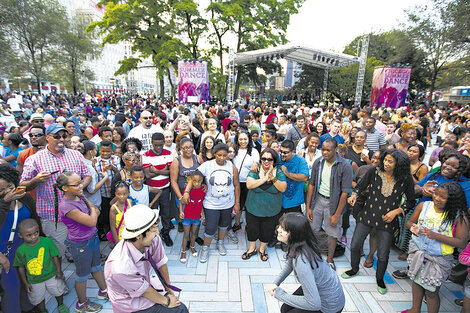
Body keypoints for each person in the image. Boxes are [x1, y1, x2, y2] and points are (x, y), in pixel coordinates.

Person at [342, 149, 415, 295]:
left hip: (387, 221)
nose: (386, 164)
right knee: (355, 245)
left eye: (390, 161)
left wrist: (397, 211)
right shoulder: (374, 171)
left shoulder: (405, 178)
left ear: (399, 164)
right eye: (385, 160)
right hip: (367, 214)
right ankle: (354, 269)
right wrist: (354, 195)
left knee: (383, 254)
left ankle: (380, 279)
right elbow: (360, 186)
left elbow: (411, 201)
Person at [20, 123, 91, 260]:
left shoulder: (75, 155)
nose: (61, 139)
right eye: (56, 136)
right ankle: (61, 275)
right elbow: (23, 185)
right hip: (53, 216)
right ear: (47, 137)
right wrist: (36, 180)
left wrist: (80, 186)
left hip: (77, 212)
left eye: (64, 136)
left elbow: (87, 174)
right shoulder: (35, 159)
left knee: (80, 248)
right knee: (59, 253)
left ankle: (80, 270)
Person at [104, 204, 189, 313]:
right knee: (180, 309)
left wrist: (168, 289)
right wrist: (167, 301)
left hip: (144, 286)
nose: (157, 233)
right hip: (130, 305)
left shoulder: (152, 239)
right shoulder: (120, 267)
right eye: (153, 231)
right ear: (139, 235)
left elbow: (160, 262)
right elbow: (145, 291)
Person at [403, 182, 469, 313]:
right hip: (419, 252)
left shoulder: (459, 217)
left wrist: (436, 236)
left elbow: (461, 242)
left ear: (452, 200)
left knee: (431, 291)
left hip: (438, 259)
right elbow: (410, 221)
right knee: (416, 282)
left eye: (442, 197)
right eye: (436, 194)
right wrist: (412, 227)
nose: (437, 198)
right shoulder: (424, 206)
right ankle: (414, 309)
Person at [268, 212, 345, 313]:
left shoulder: (302, 262)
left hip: (330, 306)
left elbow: (313, 303)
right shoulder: (300, 243)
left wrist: (280, 294)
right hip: (320, 290)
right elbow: (290, 264)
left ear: (294, 234)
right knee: (285, 309)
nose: (278, 230)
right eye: (280, 226)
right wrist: (276, 283)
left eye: (284, 229)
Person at [55, 171, 108, 312]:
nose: (81, 185)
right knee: (82, 274)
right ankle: (82, 304)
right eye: (76, 184)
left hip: (92, 238)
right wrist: (92, 212)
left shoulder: (80, 195)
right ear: (65, 188)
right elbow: (92, 220)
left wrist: (93, 212)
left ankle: (104, 291)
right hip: (80, 244)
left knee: (96, 266)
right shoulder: (67, 206)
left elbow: (96, 211)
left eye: (81, 181)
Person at [305, 138, 353, 270]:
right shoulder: (318, 162)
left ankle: (330, 259)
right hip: (318, 200)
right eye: (323, 149)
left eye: (328, 150)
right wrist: (308, 207)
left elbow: (345, 193)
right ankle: (313, 255)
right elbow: (312, 185)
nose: (324, 153)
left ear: (336, 150)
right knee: (312, 228)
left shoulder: (345, 166)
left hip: (333, 203)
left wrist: (337, 215)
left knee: (332, 232)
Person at [0, 163, 40, 312]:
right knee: (11, 289)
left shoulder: (24, 198)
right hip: (5, 254)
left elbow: (35, 221)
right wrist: (5, 202)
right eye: (1, 190)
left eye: (9, 187)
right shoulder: (2, 203)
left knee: (27, 284)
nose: (6, 192)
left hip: (25, 249)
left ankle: (28, 308)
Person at [191, 143, 240, 263]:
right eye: (219, 155)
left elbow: (236, 184)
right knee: (211, 227)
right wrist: (200, 185)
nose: (222, 158)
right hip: (211, 203)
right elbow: (195, 176)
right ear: (214, 154)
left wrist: (237, 202)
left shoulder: (231, 166)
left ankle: (220, 243)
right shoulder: (207, 165)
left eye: (224, 155)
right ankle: (205, 248)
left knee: (224, 224)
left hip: (227, 202)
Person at [13, 219, 68, 313]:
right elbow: (20, 267)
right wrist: (25, 283)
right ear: (20, 235)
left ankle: (61, 305)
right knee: (38, 297)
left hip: (52, 275)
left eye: (36, 233)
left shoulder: (47, 242)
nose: (34, 237)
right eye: (29, 235)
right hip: (34, 280)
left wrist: (59, 271)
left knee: (58, 291)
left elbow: (55, 256)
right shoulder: (21, 250)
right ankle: (42, 310)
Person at [243, 148, 286, 261]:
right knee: (252, 229)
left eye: (269, 159)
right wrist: (265, 179)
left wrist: (272, 177)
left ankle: (262, 249)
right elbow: (249, 184)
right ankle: (252, 249)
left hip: (271, 210)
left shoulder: (279, 172)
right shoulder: (255, 169)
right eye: (264, 159)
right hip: (253, 208)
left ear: (274, 160)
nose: (266, 161)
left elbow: (282, 188)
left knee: (267, 230)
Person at [268, 140, 309, 247]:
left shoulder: (300, 160)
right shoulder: (277, 158)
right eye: (281, 151)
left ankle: (290, 241)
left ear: (293, 151)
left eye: (285, 152)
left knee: (293, 223)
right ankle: (275, 237)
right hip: (278, 198)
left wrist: (287, 173)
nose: (282, 154)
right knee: (275, 221)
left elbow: (304, 177)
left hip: (294, 199)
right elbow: (264, 161)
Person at [142, 133, 174, 247]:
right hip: (152, 190)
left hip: (165, 188)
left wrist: (155, 170)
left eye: (161, 145)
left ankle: (165, 233)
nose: (159, 147)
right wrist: (163, 170)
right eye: (156, 145)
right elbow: (147, 175)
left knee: (166, 213)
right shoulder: (145, 155)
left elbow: (171, 172)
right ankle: (153, 235)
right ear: (152, 143)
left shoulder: (169, 153)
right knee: (153, 213)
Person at [232, 131, 260, 232]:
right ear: (237, 140)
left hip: (249, 183)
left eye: (245, 139)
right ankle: (237, 223)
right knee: (238, 204)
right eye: (241, 139)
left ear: (249, 140)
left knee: (249, 205)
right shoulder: (234, 151)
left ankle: (250, 225)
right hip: (236, 183)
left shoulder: (254, 151)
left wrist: (255, 164)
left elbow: (256, 163)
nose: (243, 141)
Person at [94, 140, 121, 240]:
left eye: (108, 151)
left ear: (112, 151)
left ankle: (115, 232)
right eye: (103, 151)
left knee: (115, 213)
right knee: (104, 215)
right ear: (99, 150)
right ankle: (105, 232)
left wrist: (113, 168)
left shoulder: (116, 159)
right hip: (102, 193)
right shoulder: (96, 161)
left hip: (115, 194)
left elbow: (120, 174)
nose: (105, 154)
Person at [178, 171, 205, 263]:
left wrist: (201, 213)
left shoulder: (203, 190)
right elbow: (181, 201)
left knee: (194, 234)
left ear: (202, 181)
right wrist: (181, 211)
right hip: (187, 217)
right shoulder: (187, 190)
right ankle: (183, 252)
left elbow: (201, 202)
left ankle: (193, 247)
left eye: (199, 181)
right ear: (190, 181)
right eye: (194, 181)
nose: (197, 183)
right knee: (186, 235)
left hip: (196, 217)